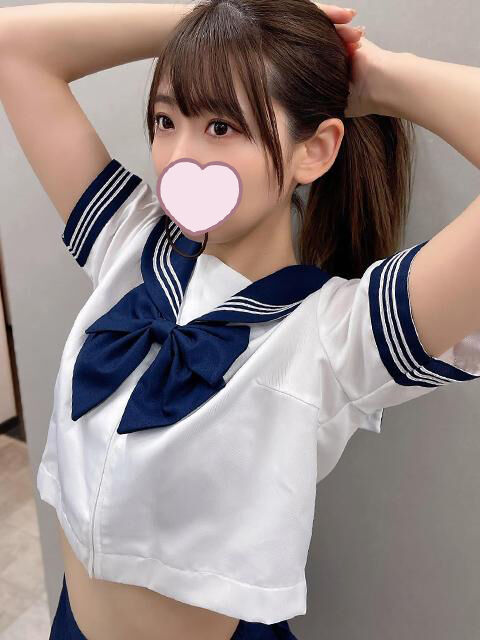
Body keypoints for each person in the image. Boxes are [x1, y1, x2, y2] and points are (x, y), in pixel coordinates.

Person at [1, 1, 480, 638]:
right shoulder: (128, 243)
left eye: (221, 126)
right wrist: (214, 21)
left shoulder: (336, 337)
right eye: (165, 120)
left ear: (315, 150)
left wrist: (380, 77)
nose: (178, 157)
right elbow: (13, 45)